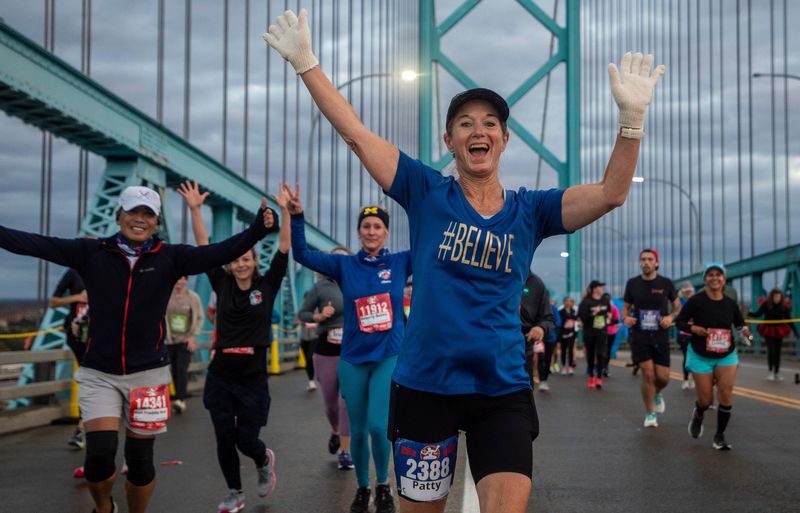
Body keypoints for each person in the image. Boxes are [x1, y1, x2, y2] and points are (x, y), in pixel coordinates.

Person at [263, 11, 664, 512]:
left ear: (504, 140)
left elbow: (611, 193)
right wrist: (307, 64)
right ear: (450, 142)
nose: (479, 130)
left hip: (502, 388)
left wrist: (631, 122)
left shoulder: (531, 210)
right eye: (466, 124)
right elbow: (358, 136)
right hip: (426, 385)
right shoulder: (425, 191)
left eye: (491, 123)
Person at [0, 184, 275, 513]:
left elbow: (219, 252)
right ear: (119, 216)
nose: (140, 219)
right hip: (99, 372)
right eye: (133, 211)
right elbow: (35, 244)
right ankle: (104, 507)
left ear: (157, 222)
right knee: (99, 456)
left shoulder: (171, 258)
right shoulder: (92, 253)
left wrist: (258, 229)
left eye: (148, 214)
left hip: (148, 374)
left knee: (140, 462)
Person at [286, 187, 411, 513]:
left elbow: (433, 250)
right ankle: (362, 488)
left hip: (388, 356)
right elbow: (302, 254)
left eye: (378, 227)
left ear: (386, 232)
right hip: (353, 359)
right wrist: (297, 217)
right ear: (359, 231)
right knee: (355, 431)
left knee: (377, 426)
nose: (372, 232)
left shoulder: (400, 263)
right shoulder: (344, 266)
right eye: (366, 226)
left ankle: (383, 486)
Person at [178, 180, 287, 513]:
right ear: (228, 264)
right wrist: (196, 209)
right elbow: (202, 244)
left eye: (247, 259)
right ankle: (234, 492)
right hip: (221, 373)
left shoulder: (267, 287)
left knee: (246, 439)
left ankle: (262, 459)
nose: (240, 264)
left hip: (253, 376)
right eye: (236, 259)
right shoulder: (221, 282)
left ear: (255, 262)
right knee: (224, 436)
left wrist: (285, 209)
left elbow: (283, 249)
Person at [675, 263, 752, 450]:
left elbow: (740, 325)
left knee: (725, 394)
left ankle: (719, 436)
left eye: (719, 274)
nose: (715, 277)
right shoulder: (696, 301)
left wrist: (746, 333)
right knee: (706, 400)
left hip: (726, 354)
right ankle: (699, 413)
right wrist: (694, 328)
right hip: (701, 354)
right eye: (710, 275)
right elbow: (680, 322)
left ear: (724, 279)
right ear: (705, 279)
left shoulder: (730, 304)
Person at [296, 255, 355, 470]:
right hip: (326, 350)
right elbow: (302, 313)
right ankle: (335, 430)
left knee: (345, 403)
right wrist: (319, 316)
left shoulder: (357, 280)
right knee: (331, 405)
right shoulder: (320, 287)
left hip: (352, 351)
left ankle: (345, 451)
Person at [622, 248, 680, 428]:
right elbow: (625, 308)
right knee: (648, 374)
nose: (646, 262)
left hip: (660, 335)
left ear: (656, 263)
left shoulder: (666, 283)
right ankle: (650, 413)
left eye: (650, 259)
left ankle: (657, 393)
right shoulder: (632, 284)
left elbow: (677, 307)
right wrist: (626, 318)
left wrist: (671, 317)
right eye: (643, 259)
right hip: (640, 335)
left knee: (663, 378)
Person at [50, 268, 89, 449]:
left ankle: (87, 426)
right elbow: (54, 302)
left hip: (103, 333)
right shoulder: (73, 272)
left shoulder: (110, 265)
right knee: (87, 378)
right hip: (78, 335)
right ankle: (83, 426)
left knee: (95, 379)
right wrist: (78, 298)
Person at [164, 276, 204, 414]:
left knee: (181, 369)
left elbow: (200, 317)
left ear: (186, 280)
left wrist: (193, 337)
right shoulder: (166, 295)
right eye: (176, 278)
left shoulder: (193, 297)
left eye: (181, 279)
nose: (178, 281)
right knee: (171, 370)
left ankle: (180, 399)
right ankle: (173, 397)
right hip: (169, 340)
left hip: (186, 340)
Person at [749, 288, 797, 381]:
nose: (777, 298)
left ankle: (777, 372)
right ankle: (770, 371)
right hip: (768, 330)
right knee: (772, 351)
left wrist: (795, 331)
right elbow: (758, 314)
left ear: (781, 297)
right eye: (775, 296)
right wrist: (750, 314)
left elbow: (789, 320)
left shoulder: (784, 307)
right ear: (772, 297)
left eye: (779, 296)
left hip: (779, 330)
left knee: (778, 352)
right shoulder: (766, 305)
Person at [520, 272, 555, 391]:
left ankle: (543, 379)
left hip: (524, 347)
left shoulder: (536, 283)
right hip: (490, 350)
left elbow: (548, 319)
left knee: (522, 396)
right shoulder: (491, 275)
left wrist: (541, 328)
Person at [578, 280, 610, 389]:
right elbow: (582, 317)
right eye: (600, 287)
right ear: (595, 289)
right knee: (591, 355)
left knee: (601, 354)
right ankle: (591, 375)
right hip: (589, 332)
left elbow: (609, 312)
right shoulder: (586, 302)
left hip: (602, 332)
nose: (602, 289)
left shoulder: (605, 300)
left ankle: (599, 378)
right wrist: (593, 313)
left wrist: (609, 318)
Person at [677, 281, 695, 389]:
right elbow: (675, 317)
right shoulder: (679, 302)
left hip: (695, 333)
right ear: (682, 292)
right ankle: (685, 379)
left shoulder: (697, 300)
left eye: (689, 290)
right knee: (687, 357)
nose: (688, 292)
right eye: (685, 291)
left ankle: (692, 378)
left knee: (695, 357)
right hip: (683, 334)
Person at [557, 297, 578, 376]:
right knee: (563, 350)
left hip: (571, 333)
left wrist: (570, 316)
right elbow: (560, 321)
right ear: (564, 302)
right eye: (567, 301)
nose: (568, 303)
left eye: (570, 301)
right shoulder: (560, 311)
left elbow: (575, 318)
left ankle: (570, 366)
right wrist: (568, 316)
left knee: (571, 349)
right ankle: (563, 366)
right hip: (563, 333)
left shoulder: (573, 311)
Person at [298, 316, 318, 391]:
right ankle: (311, 381)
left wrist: (314, 324)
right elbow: (295, 322)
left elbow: (324, 323)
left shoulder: (318, 310)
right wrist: (299, 320)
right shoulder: (302, 312)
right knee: (308, 360)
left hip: (315, 338)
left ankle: (319, 375)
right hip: (303, 339)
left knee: (310, 357)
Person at [603, 293, 621, 376]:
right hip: (601, 331)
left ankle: (606, 367)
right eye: (605, 299)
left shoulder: (614, 308)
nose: (606, 300)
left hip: (611, 331)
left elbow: (617, 320)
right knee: (601, 349)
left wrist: (611, 318)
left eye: (608, 299)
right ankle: (601, 366)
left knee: (608, 349)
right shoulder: (600, 309)